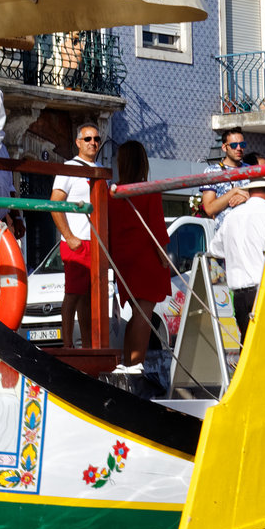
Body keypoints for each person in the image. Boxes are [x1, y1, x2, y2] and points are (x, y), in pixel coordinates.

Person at [107, 140, 173, 368]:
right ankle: (136, 364)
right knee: (144, 315)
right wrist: (164, 258)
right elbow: (157, 228)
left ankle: (127, 362)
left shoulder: (112, 194)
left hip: (123, 260)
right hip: (146, 259)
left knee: (136, 314)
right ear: (142, 162)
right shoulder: (148, 190)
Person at [50, 122, 104, 348]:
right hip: (76, 241)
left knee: (89, 297)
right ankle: (68, 343)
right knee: (73, 294)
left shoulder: (101, 168)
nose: (93, 143)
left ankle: (89, 343)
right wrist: (69, 237)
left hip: (96, 242)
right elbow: (55, 203)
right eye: (88, 139)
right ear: (78, 143)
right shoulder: (69, 167)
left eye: (96, 139)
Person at [221, 160, 265, 340]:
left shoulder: (231, 217)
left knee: (247, 344)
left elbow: (216, 248)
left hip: (239, 295)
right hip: (264, 292)